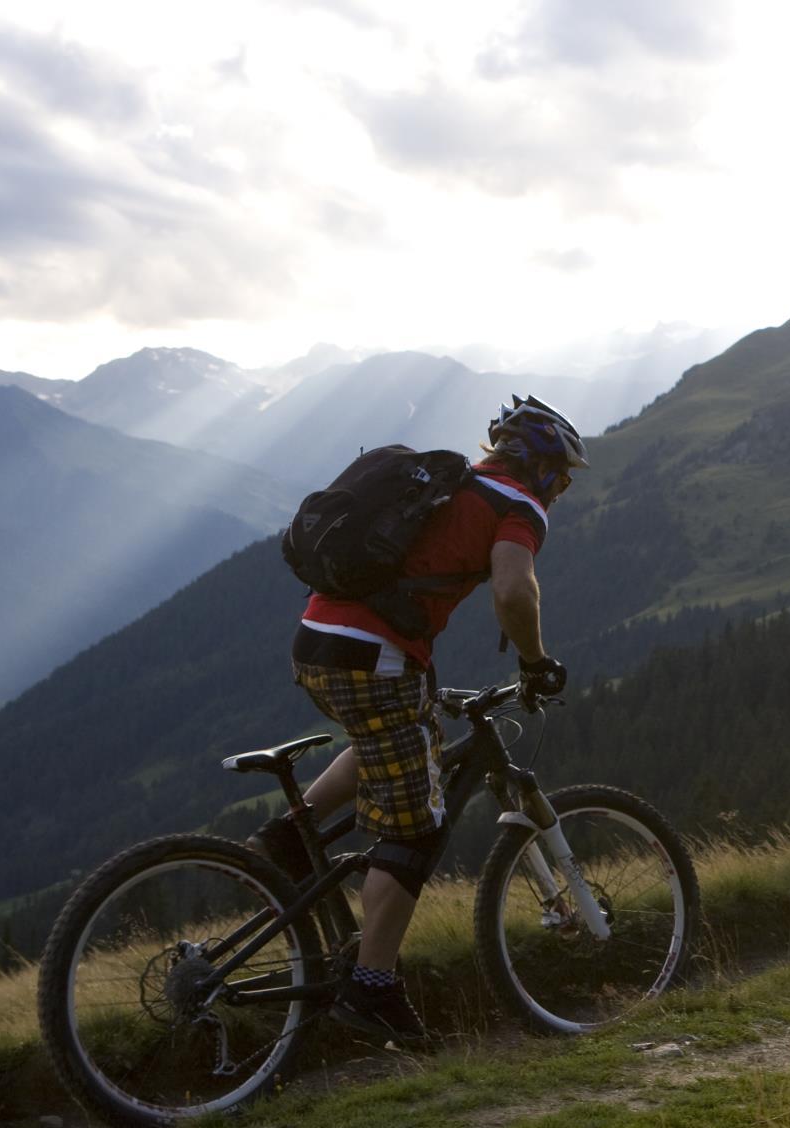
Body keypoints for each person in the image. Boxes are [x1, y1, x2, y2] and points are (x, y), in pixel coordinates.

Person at [248, 395, 588, 1041]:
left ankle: (291, 835)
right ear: (542, 467)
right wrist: (536, 663)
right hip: (373, 660)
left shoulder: (450, 484)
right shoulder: (518, 505)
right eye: (564, 476)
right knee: (418, 829)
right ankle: (372, 987)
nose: (563, 489)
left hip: (316, 644)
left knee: (403, 734)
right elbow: (514, 590)